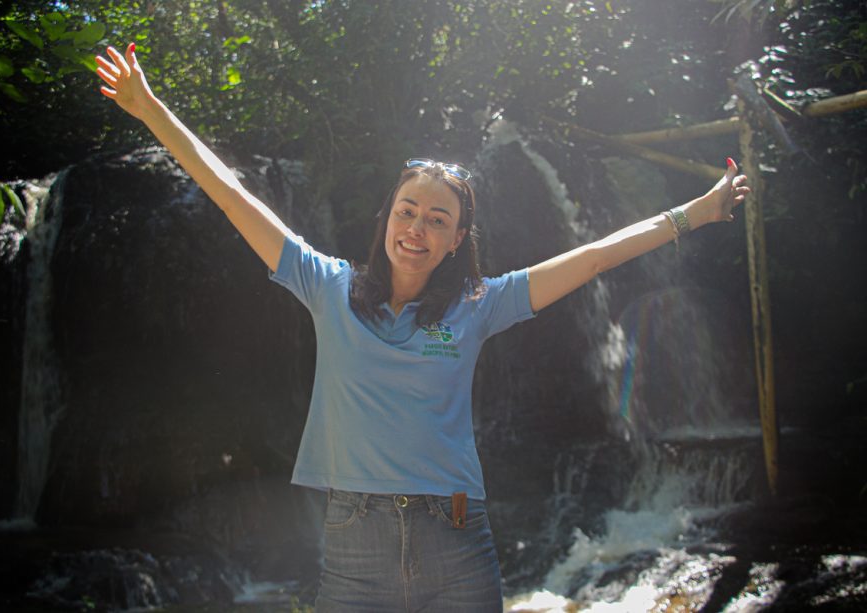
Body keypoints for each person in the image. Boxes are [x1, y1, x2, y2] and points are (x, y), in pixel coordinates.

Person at [95, 43, 750, 611]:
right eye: (408, 210)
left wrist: (697, 211)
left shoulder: (478, 303)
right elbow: (234, 196)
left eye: (438, 219)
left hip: (457, 542)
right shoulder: (327, 287)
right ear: (386, 219)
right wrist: (151, 109)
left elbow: (594, 257)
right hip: (354, 548)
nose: (418, 227)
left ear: (457, 237)